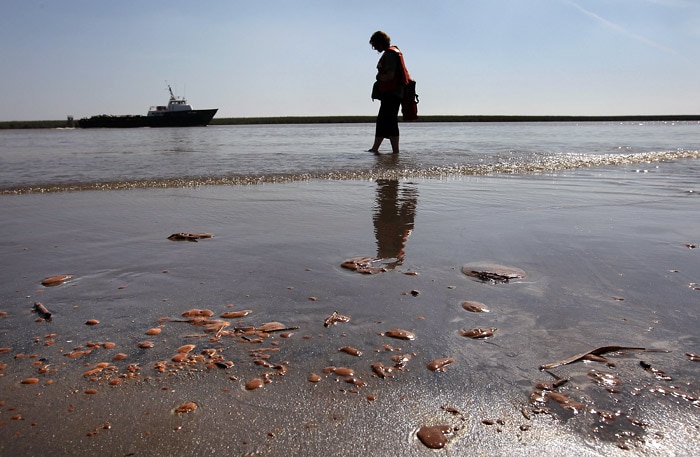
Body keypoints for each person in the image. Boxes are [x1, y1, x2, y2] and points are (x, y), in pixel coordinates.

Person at [368, 31, 409, 154]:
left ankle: (394, 151)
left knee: (388, 121)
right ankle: (377, 149)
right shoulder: (392, 52)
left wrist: (379, 77)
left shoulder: (390, 55)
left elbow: (390, 75)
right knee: (384, 120)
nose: (374, 48)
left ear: (380, 43)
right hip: (392, 93)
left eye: (374, 45)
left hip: (392, 93)